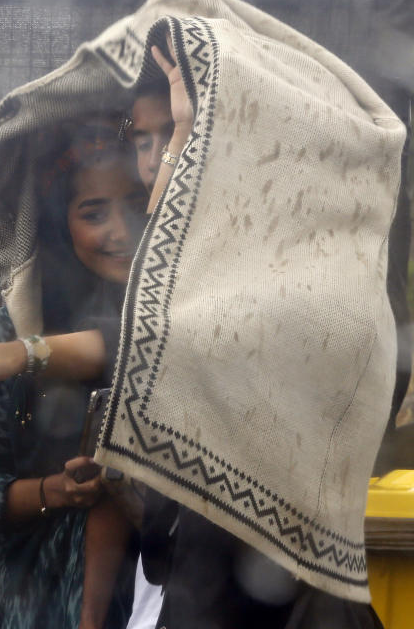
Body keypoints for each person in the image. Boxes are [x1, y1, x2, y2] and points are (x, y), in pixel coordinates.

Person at [126, 38, 386, 629]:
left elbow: (168, 307)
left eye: (175, 140)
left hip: (251, 584)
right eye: (148, 140)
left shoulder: (302, 287)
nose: (157, 160)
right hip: (203, 570)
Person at [0, 116, 147, 629]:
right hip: (38, 604)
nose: (122, 230)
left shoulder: (187, 316)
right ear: (60, 221)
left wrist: (24, 355)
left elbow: (142, 344)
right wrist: (53, 492)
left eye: (136, 204)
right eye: (93, 211)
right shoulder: (10, 331)